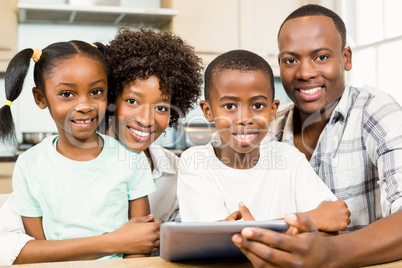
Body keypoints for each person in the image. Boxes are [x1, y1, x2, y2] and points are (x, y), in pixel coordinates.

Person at [0, 28, 203, 264]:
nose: (147, 119)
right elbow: (10, 248)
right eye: (132, 101)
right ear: (111, 98)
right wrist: (115, 241)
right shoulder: (38, 164)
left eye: (161, 107)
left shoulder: (178, 171)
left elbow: (183, 236)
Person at [232, 4, 402, 267]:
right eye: (291, 60)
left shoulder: (376, 111)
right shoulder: (267, 129)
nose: (305, 73)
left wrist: (329, 253)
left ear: (346, 58)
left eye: (321, 57)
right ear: (279, 63)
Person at [177, 49, 350, 233]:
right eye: (229, 106)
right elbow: (217, 240)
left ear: (272, 109)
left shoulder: (289, 158)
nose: (245, 118)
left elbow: (336, 216)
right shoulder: (195, 163)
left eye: (258, 105)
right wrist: (309, 221)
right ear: (207, 111)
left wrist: (251, 230)